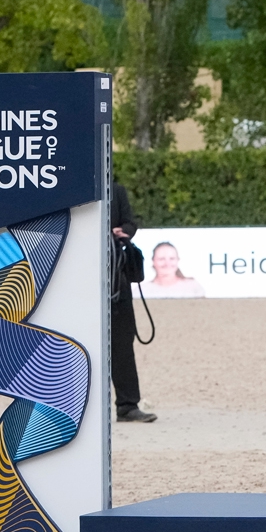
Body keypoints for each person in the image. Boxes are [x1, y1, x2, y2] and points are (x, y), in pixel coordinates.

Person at [110, 179, 156, 423]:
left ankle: (127, 405)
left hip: (117, 277)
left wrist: (123, 231)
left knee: (123, 342)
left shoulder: (117, 190)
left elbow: (130, 222)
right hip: (84, 279)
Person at [136, 241, 206, 299]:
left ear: (178, 260)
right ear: (153, 261)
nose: (167, 263)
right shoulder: (141, 290)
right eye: (161, 259)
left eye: (172, 258)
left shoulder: (192, 286)